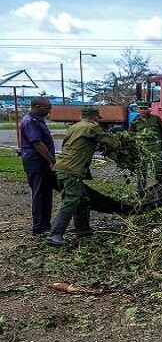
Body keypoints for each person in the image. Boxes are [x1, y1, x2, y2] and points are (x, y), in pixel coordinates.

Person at [45, 107, 121, 246]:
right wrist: (118, 142)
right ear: (95, 117)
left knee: (83, 199)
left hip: (63, 167)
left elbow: (78, 144)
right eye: (98, 118)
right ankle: (55, 234)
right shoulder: (92, 127)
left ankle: (83, 229)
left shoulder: (74, 127)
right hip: (71, 171)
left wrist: (95, 146)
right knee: (71, 200)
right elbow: (113, 143)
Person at [20, 97, 56, 235]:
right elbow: (37, 143)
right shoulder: (30, 121)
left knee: (46, 194)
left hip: (41, 163)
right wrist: (52, 160)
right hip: (36, 163)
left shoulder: (37, 120)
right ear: (37, 106)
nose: (49, 111)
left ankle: (45, 225)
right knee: (40, 194)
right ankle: (39, 227)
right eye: (47, 108)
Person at [130, 101, 162, 193]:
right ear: (138, 110)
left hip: (156, 148)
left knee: (158, 169)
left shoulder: (156, 119)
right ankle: (140, 190)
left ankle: (160, 188)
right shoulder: (134, 122)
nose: (143, 111)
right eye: (141, 109)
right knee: (142, 171)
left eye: (145, 109)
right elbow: (131, 136)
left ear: (148, 109)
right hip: (142, 150)